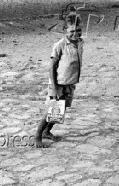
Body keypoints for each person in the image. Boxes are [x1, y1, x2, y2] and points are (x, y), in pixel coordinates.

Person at [35, 17, 83, 148]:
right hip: (58, 84)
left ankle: (47, 131)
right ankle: (38, 135)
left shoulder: (80, 42)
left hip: (69, 83)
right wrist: (55, 87)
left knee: (61, 110)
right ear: (65, 31)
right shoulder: (60, 45)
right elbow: (52, 67)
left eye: (79, 30)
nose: (75, 33)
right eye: (72, 31)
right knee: (53, 109)